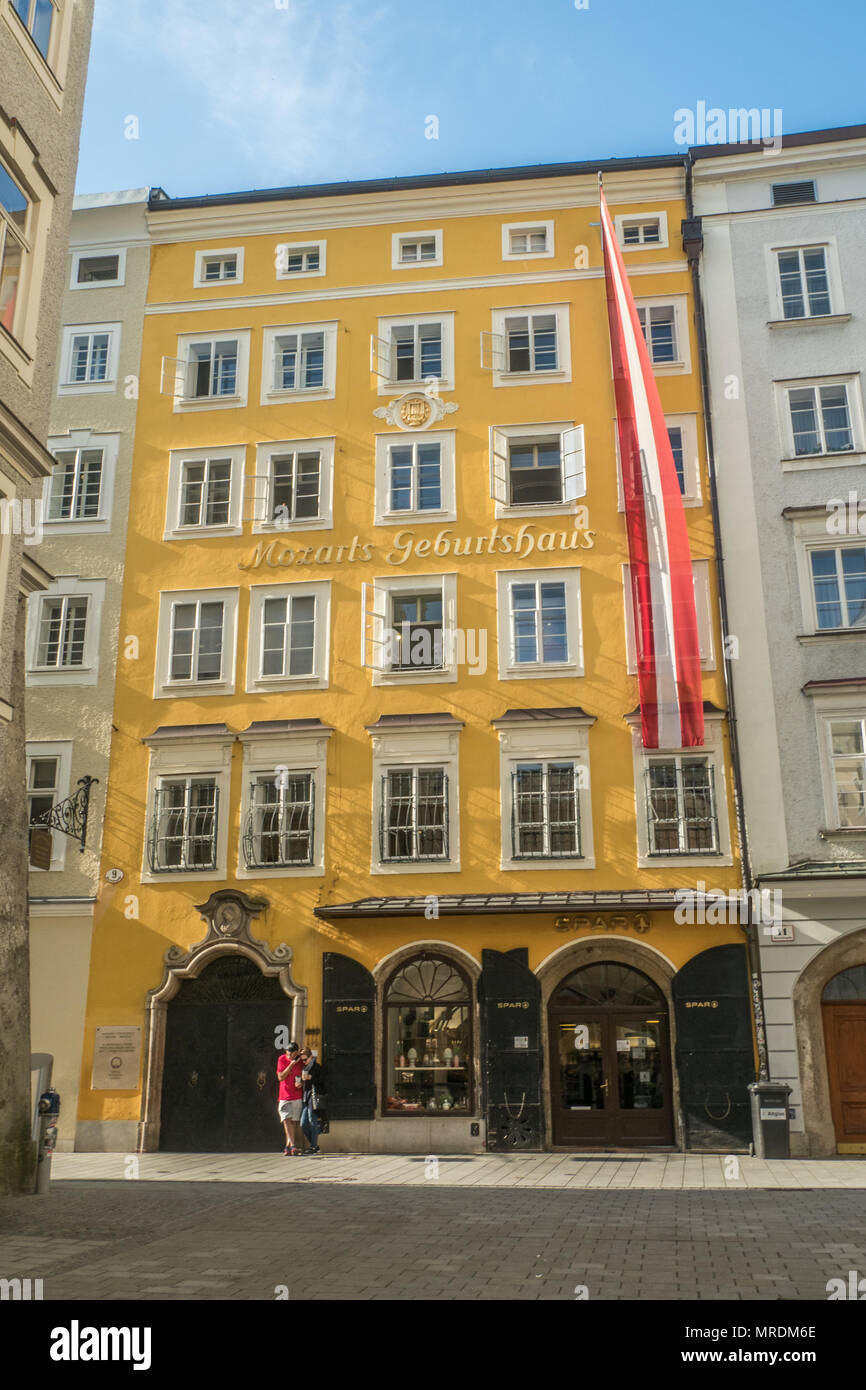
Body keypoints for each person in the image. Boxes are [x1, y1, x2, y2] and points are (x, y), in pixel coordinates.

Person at [276, 1041, 304, 1155]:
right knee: (286, 1120)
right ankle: (293, 1145)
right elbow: (281, 1077)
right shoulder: (282, 1059)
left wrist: (301, 1082)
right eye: (287, 1053)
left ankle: (288, 1147)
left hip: (297, 1095)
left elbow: (305, 1075)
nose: (289, 1055)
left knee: (294, 1122)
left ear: (296, 1052)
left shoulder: (301, 1062)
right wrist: (292, 1064)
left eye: (291, 1053)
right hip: (284, 1095)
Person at [298, 1046, 325, 1156]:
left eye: (305, 1059)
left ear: (311, 1057)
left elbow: (322, 1081)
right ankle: (315, 1144)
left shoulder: (317, 1067)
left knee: (312, 1121)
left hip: (313, 1097)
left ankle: (313, 1146)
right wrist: (299, 1083)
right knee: (303, 1123)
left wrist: (311, 1078)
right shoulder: (304, 1068)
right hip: (306, 1097)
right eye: (302, 1060)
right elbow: (303, 1083)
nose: (303, 1062)